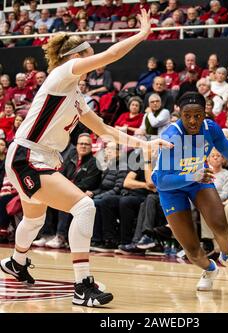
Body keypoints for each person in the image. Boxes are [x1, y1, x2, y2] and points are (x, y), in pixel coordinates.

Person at [0, 9, 171, 308]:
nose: (93, 60)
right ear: (77, 55)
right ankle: (82, 285)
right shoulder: (61, 74)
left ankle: (16, 261)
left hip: (33, 156)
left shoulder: (75, 96)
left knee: (34, 219)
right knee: (84, 205)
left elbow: (105, 130)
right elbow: (110, 56)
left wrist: (144, 145)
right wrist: (141, 35)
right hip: (28, 155)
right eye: (89, 54)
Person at [152, 91, 228, 292]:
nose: (193, 121)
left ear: (205, 113)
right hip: (172, 187)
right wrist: (191, 176)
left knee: (220, 223)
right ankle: (210, 269)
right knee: (192, 249)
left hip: (198, 180)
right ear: (179, 113)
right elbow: (161, 182)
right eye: (188, 116)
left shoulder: (211, 128)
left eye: (198, 115)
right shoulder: (171, 136)